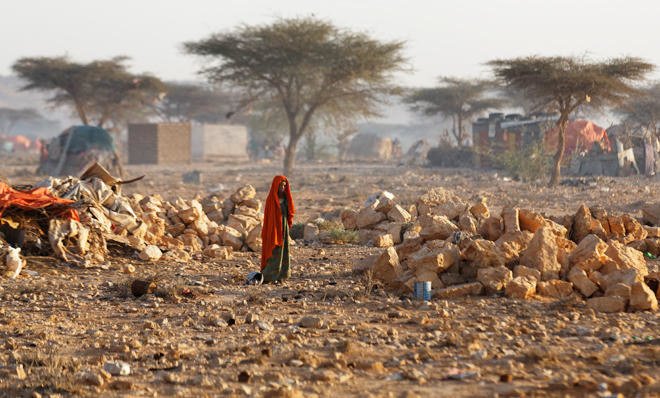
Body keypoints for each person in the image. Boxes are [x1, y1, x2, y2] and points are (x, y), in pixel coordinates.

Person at [258, 175, 295, 283]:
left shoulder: (286, 199)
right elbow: (269, 218)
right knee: (275, 252)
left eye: (284, 186)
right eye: (281, 185)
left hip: (283, 228)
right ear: (276, 186)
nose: (283, 188)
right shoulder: (271, 200)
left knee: (284, 252)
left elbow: (289, 213)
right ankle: (268, 277)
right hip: (274, 229)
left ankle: (281, 276)